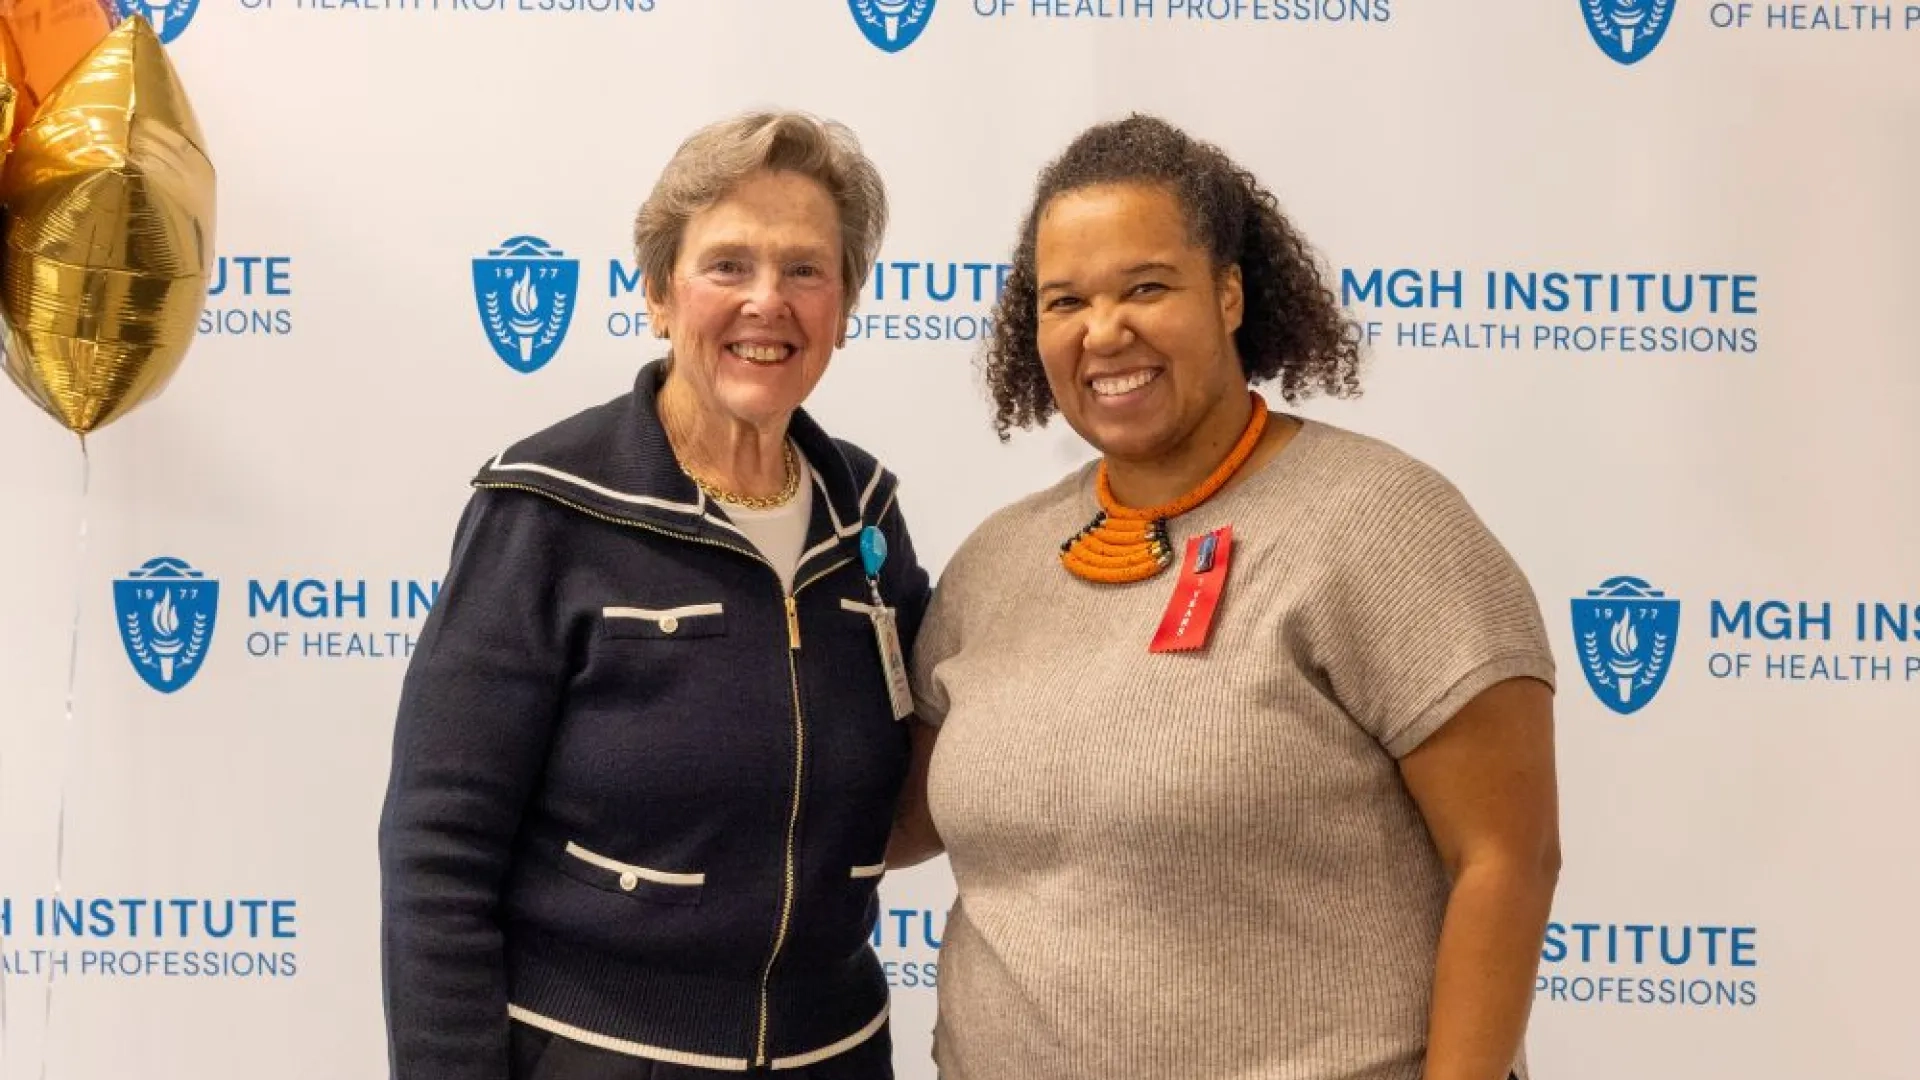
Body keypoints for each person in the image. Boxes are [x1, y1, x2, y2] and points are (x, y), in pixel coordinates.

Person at [889, 114, 1562, 1080]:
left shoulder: (1382, 524)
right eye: (1064, 299)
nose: (1103, 329)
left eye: (1147, 287)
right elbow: (889, 819)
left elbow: (1508, 859)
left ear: (1232, 293)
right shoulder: (997, 562)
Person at [379, 110, 929, 1080]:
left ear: (844, 306)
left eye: (806, 269)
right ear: (659, 295)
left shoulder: (867, 517)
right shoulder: (545, 507)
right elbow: (438, 852)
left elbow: (929, 777)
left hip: (838, 1053)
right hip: (603, 1056)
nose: (769, 301)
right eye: (728, 266)